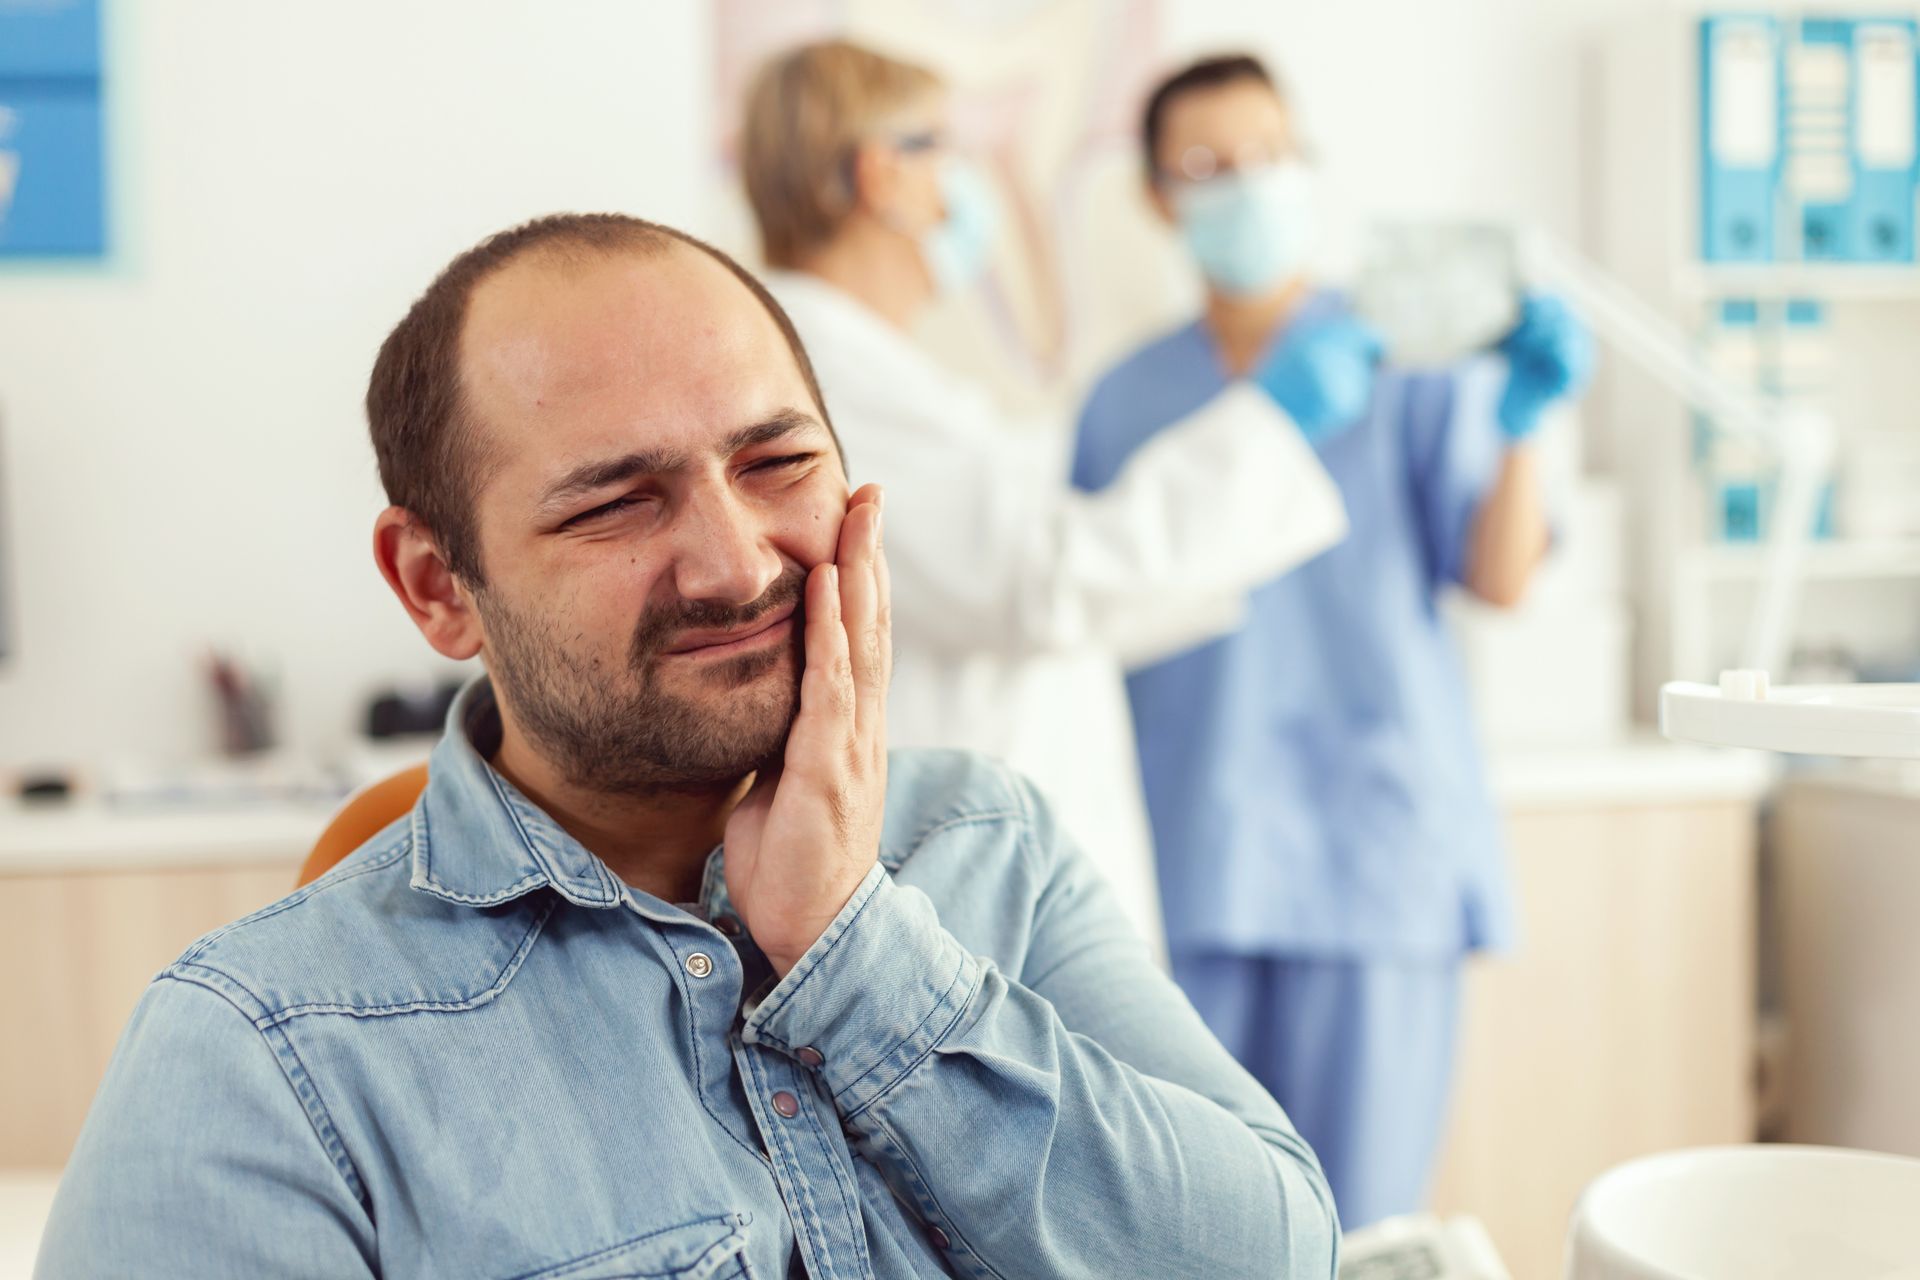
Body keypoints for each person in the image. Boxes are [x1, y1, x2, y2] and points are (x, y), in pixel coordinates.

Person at [37, 213, 1339, 1278]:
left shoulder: (986, 846)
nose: (735, 563)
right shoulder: (263, 1055)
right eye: (615, 503)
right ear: (437, 585)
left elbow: (1270, 1261)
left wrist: (853, 947)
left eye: (777, 463)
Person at [1072, 55, 1593, 1230]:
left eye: (1268, 155)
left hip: (1377, 854)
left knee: (1360, 1231)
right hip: (1189, 853)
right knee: (1193, 1224)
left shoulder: (1401, 351)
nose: (1245, 186)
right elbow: (1082, 614)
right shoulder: (1123, 398)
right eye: (1207, 166)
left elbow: (1499, 576)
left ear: (1307, 165)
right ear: (1159, 196)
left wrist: (1520, 426)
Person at [738, 41, 1351, 950]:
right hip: (969, 879)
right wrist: (1268, 426)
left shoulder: (871, 370)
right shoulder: (828, 377)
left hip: (985, 853)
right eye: (947, 148)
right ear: (883, 175)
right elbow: (1037, 580)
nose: (972, 181)